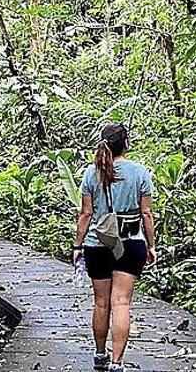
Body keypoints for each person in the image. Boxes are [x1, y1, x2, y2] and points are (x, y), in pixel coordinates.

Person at [72, 122, 156, 372]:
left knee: (101, 303)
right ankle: (117, 363)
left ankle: (100, 355)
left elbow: (86, 214)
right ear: (126, 144)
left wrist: (77, 245)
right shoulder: (140, 172)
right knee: (121, 303)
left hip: (98, 244)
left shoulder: (91, 173)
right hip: (131, 243)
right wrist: (151, 246)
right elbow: (147, 213)